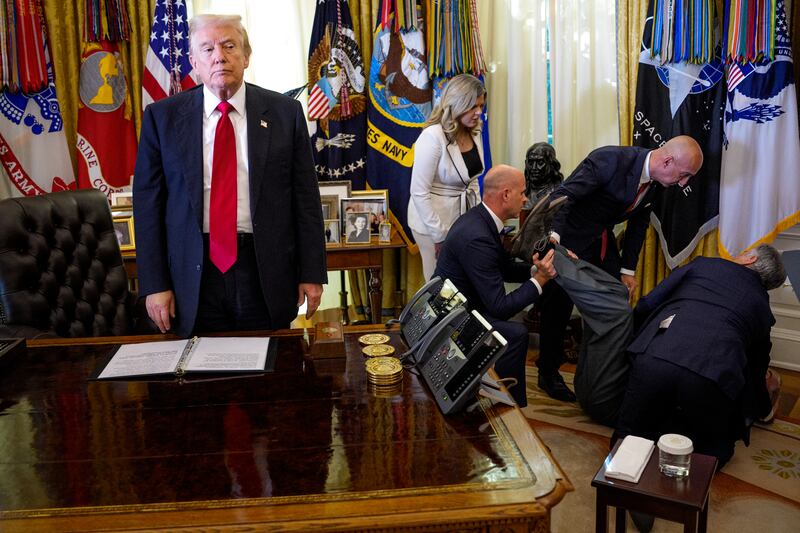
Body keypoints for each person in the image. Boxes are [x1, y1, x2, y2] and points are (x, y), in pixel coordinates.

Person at [133, 14, 326, 337]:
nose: (219, 57)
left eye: (229, 46)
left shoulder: (285, 113)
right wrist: (154, 284)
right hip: (192, 273)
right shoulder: (162, 118)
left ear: (246, 56)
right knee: (199, 365)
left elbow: (305, 198)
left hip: (264, 268)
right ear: (193, 62)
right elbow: (148, 206)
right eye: (207, 49)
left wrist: (311, 272)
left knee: (270, 361)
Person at [536, 136, 703, 401]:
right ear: (668, 161)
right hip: (568, 238)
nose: (684, 183)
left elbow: (639, 224)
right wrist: (554, 241)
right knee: (558, 308)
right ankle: (547, 373)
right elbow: (564, 197)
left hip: (601, 242)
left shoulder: (658, 182)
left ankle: (598, 376)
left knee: (615, 303)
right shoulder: (609, 160)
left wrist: (627, 270)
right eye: (684, 175)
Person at [612, 245, 785, 468]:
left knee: (628, 437)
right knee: (712, 453)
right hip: (711, 378)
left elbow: (647, 304)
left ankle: (627, 466)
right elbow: (756, 369)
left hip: (656, 359)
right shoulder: (763, 308)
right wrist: (762, 409)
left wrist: (633, 343)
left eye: (743, 252)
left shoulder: (704, 265)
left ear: (750, 259)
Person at [434, 165, 557, 407]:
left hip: (461, 305)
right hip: (452, 320)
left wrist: (534, 270)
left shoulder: (480, 219)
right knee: (515, 334)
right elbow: (499, 307)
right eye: (522, 192)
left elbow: (502, 267)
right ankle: (508, 408)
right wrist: (541, 280)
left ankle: (502, 397)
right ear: (506, 194)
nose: (525, 199)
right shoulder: (478, 235)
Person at [408, 73, 486, 280]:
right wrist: (439, 235)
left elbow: (473, 181)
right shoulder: (432, 136)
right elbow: (418, 192)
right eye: (473, 106)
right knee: (439, 284)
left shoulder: (474, 131)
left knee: (463, 282)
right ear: (457, 103)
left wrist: (479, 220)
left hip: (462, 221)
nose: (479, 112)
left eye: (481, 105)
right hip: (431, 223)